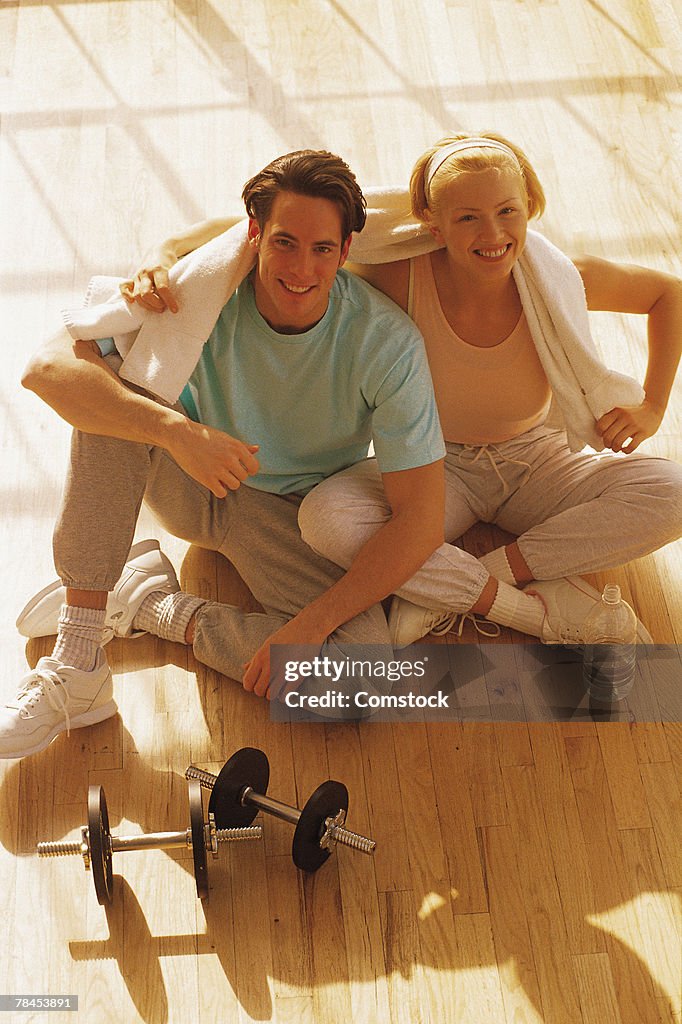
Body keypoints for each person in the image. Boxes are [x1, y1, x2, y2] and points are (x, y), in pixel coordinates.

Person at [113, 133, 682, 648]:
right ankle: (517, 600)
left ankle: (464, 584)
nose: (492, 234)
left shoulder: (558, 280)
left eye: (507, 211)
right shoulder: (397, 275)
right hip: (435, 466)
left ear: (529, 208)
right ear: (433, 225)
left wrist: (653, 403)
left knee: (674, 490)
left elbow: (668, 294)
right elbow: (274, 231)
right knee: (327, 522)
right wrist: (166, 251)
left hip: (535, 456)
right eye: (467, 218)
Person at [1, 150, 447, 760]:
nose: (301, 268)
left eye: (322, 249)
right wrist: (178, 433)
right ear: (253, 235)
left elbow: (420, 518)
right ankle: (78, 653)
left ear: (346, 252)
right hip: (191, 477)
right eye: (284, 243)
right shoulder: (196, 291)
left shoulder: (386, 343)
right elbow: (45, 370)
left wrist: (310, 629)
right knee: (111, 390)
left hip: (289, 517)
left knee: (362, 683)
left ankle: (154, 605)